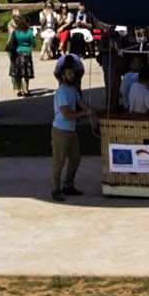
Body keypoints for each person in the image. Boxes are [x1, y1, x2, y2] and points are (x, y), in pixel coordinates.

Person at [48, 57, 87, 198]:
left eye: (73, 73)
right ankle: (55, 189)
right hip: (61, 130)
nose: (72, 76)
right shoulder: (62, 92)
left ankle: (68, 185)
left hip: (71, 130)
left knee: (75, 159)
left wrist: (93, 111)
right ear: (62, 76)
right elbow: (66, 114)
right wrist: (84, 113)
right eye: (69, 74)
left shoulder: (73, 90)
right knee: (59, 162)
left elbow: (82, 104)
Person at [9, 12, 38, 95]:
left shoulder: (16, 32)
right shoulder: (29, 32)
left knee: (18, 73)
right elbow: (34, 44)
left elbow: (12, 42)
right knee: (26, 73)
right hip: (27, 53)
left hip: (18, 52)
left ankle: (18, 89)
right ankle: (26, 90)